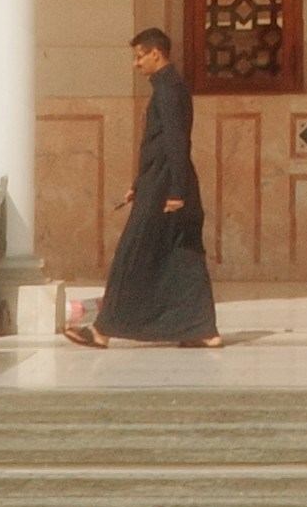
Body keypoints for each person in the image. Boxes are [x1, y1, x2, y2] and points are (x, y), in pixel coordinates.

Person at [71, 25, 218, 348]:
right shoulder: (168, 87)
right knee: (183, 255)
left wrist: (176, 191)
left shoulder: (169, 89)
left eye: (140, 57)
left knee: (133, 252)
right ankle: (203, 330)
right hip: (162, 181)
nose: (136, 64)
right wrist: (139, 184)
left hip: (166, 185)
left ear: (156, 53)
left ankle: (102, 330)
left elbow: (176, 141)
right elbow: (159, 143)